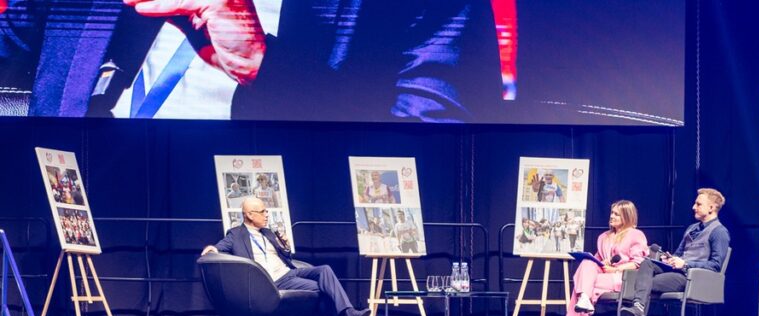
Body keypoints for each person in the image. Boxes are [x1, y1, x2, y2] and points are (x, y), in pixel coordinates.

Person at [0, 0, 501, 122]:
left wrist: (266, 65)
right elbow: (14, 47)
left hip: (273, 244)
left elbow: (430, 129)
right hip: (70, 232)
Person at [201, 197, 368, 316]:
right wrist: (212, 248)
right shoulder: (236, 235)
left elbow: (285, 256)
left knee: (324, 271)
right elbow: (220, 248)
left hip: (287, 274)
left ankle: (349, 313)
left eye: (267, 211)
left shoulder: (268, 233)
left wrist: (285, 247)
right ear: (250, 215)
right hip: (266, 282)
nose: (267, 215)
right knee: (324, 289)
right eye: (262, 212)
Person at [615, 188, 730, 316]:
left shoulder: (719, 232)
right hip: (677, 270)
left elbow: (716, 266)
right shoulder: (691, 229)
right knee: (647, 262)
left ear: (711, 208)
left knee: (645, 284)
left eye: (698, 204)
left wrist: (686, 264)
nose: (693, 207)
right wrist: (669, 259)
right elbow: (679, 254)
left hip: (692, 278)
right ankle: (638, 309)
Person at [564, 200, 648, 316]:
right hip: (604, 275)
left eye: (617, 214)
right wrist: (597, 261)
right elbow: (598, 261)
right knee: (587, 264)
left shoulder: (635, 235)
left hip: (624, 278)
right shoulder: (603, 237)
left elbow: (639, 263)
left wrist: (615, 269)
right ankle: (584, 300)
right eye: (612, 213)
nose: (612, 216)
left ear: (627, 217)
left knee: (584, 284)